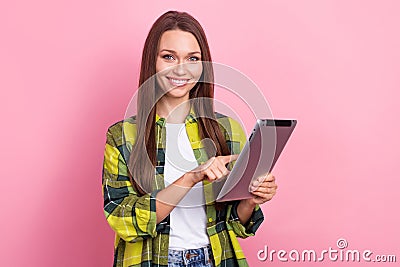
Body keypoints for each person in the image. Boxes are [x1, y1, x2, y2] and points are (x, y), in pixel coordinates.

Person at [102, 10, 278, 267]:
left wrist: (250, 199)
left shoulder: (225, 129)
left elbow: (235, 223)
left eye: (192, 58)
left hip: (214, 259)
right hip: (150, 261)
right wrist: (190, 177)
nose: (181, 69)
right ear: (152, 61)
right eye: (169, 57)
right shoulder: (122, 136)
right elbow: (121, 218)